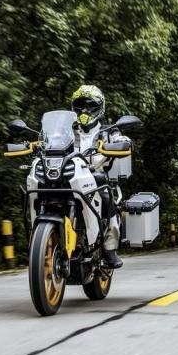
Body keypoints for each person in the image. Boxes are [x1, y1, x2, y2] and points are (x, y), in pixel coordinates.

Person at [70, 84, 130, 269]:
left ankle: (109, 248)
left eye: (90, 106)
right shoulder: (68, 129)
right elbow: (48, 141)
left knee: (106, 196)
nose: (85, 110)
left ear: (100, 108)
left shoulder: (109, 130)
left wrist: (122, 142)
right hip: (68, 174)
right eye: (80, 106)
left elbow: (121, 140)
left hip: (95, 176)